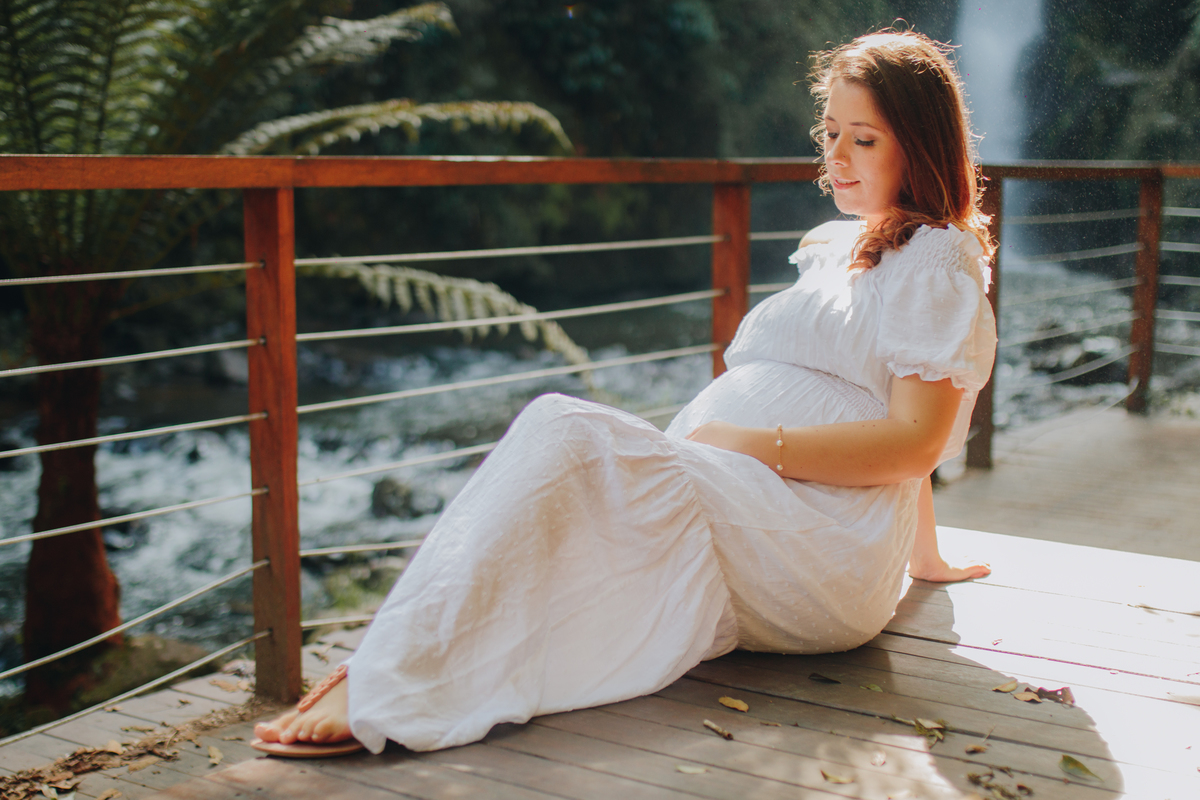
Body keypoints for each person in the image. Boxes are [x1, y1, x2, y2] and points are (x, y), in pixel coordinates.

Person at [252, 28, 997, 757]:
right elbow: (887, 402)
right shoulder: (851, 244)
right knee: (567, 485)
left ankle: (386, 678)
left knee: (565, 430)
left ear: (919, 144)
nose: (835, 156)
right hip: (761, 508)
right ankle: (406, 664)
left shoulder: (936, 258)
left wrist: (751, 443)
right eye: (829, 132)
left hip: (817, 544)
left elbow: (914, 442)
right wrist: (924, 557)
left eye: (862, 139)